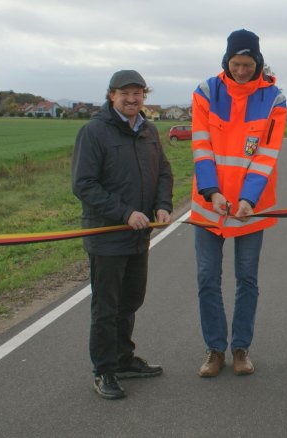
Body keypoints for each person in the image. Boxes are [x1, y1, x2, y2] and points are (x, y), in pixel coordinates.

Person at [191, 29, 287, 377]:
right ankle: (215, 349)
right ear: (226, 61)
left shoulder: (274, 99)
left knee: (247, 278)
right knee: (207, 278)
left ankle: (241, 349)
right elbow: (201, 147)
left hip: (251, 206)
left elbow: (266, 156)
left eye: (248, 64)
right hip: (209, 205)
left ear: (258, 62)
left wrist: (248, 198)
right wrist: (212, 192)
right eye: (236, 63)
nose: (242, 70)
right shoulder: (205, 93)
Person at [72, 69, 173, 399]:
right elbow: (84, 184)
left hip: (139, 237)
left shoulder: (149, 131)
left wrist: (162, 205)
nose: (132, 99)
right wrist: (125, 212)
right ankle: (104, 370)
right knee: (106, 306)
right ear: (111, 95)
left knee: (130, 300)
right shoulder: (94, 132)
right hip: (107, 235)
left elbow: (163, 173)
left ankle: (123, 359)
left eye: (138, 93)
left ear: (145, 95)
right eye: (124, 93)